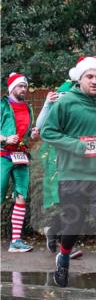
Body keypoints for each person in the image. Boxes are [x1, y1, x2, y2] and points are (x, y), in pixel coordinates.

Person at [41, 56, 96, 297]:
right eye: (90, 76)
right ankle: (63, 254)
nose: (94, 81)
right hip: (72, 175)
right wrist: (77, 146)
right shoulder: (66, 103)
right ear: (80, 78)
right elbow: (48, 132)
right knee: (73, 225)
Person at [34, 79, 83, 259]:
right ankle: (65, 245)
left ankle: (54, 232)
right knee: (70, 202)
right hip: (58, 161)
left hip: (78, 161)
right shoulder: (56, 109)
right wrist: (47, 104)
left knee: (77, 203)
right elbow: (39, 127)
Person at [1, 72, 35, 252]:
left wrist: (33, 134)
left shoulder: (28, 108)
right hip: (2, 155)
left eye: (25, 86)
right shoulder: (2, 106)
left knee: (21, 196)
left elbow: (27, 133)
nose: (24, 89)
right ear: (12, 88)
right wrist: (5, 138)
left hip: (21, 156)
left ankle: (16, 241)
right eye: (20, 86)